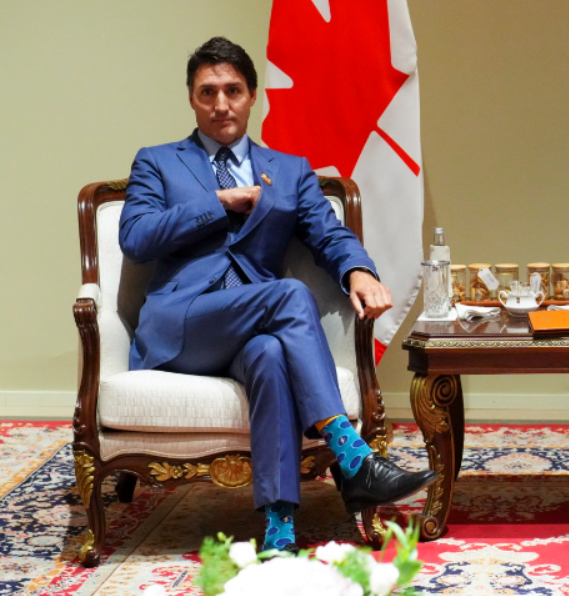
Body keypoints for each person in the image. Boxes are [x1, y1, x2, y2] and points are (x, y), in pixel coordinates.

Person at [120, 36, 436, 551]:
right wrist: (219, 202)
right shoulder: (158, 162)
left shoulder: (289, 170)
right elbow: (135, 238)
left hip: (252, 331)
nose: (221, 104)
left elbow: (328, 234)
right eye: (207, 92)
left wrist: (358, 270)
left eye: (233, 90)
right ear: (191, 99)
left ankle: (279, 526)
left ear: (252, 96)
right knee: (288, 295)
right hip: (182, 325)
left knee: (269, 354)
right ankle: (352, 457)